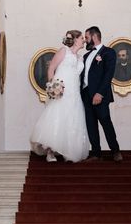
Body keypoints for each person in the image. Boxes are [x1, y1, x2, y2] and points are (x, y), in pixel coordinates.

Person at [30, 30, 90, 162]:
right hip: (61, 90)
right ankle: (50, 152)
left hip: (74, 93)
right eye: (81, 38)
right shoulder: (64, 51)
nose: (84, 40)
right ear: (74, 40)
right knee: (57, 117)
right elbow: (51, 68)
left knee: (72, 119)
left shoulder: (80, 58)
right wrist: (53, 87)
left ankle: (68, 151)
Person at [81, 26, 122, 162]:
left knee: (105, 122)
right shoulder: (86, 56)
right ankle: (96, 153)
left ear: (94, 36)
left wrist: (99, 93)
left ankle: (115, 151)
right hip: (85, 94)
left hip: (100, 94)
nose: (85, 41)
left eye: (86, 38)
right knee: (90, 124)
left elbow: (108, 74)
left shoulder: (108, 52)